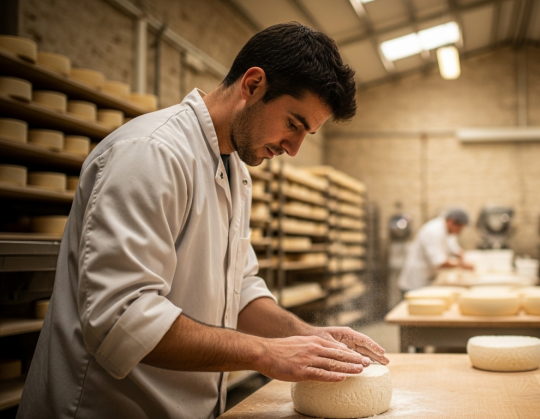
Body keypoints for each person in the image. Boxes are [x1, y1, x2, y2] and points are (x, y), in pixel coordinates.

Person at [18, 22, 388, 419]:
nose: (294, 148)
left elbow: (239, 288)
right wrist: (266, 353)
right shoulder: (152, 153)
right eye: (293, 124)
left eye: (306, 134)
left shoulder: (236, 169)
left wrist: (305, 334)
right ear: (253, 85)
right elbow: (122, 318)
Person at [397, 209, 474, 293]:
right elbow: (440, 262)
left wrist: (463, 259)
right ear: (451, 222)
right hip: (415, 283)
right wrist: (461, 265)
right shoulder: (433, 231)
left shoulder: (448, 231)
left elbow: (456, 249)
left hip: (428, 279)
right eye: (460, 227)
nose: (460, 231)